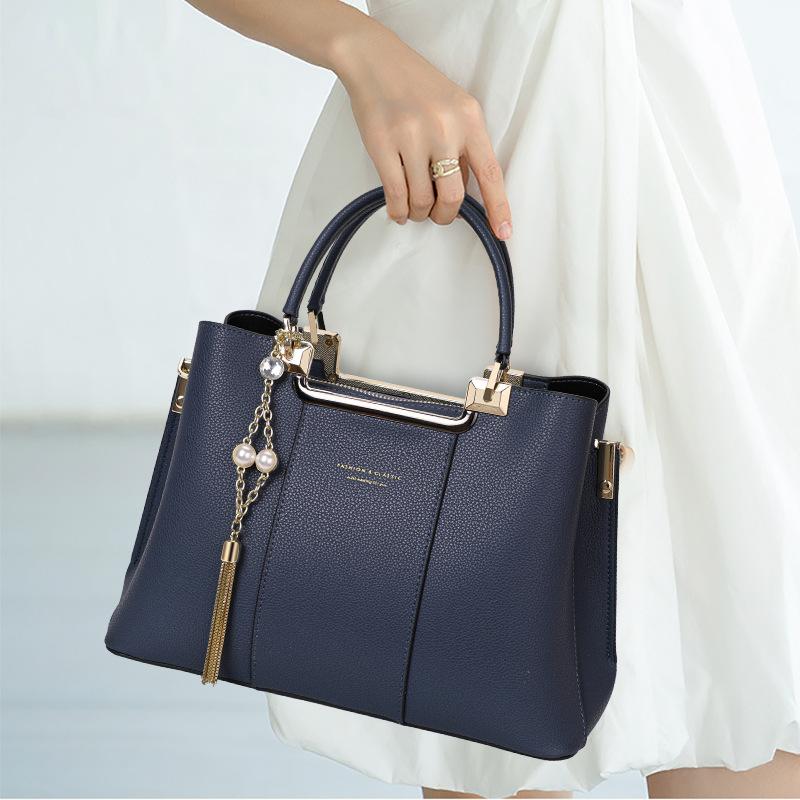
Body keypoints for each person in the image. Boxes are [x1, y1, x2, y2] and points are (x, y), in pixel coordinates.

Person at [186, 1, 800, 797]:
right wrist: (359, 48)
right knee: (488, 712)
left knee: (744, 683)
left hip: (695, 189)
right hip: (468, 166)